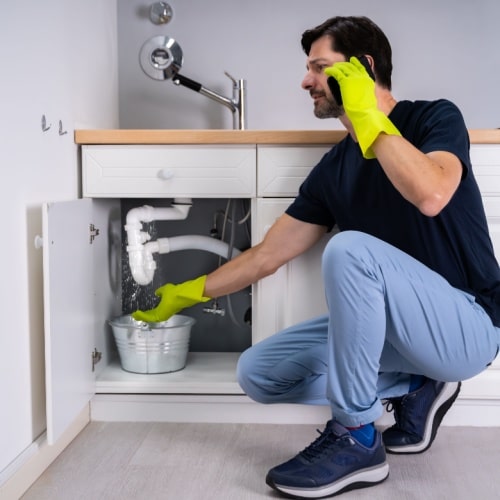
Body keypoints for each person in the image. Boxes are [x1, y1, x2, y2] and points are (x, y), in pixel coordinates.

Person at [133, 15, 500, 499]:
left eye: (319, 68)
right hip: (396, 335)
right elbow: (268, 254)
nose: (306, 81)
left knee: (350, 249)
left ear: (363, 69)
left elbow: (431, 193)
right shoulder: (335, 169)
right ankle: (417, 385)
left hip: (467, 325)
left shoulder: (433, 119)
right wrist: (187, 292)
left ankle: (356, 436)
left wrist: (369, 115)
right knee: (257, 373)